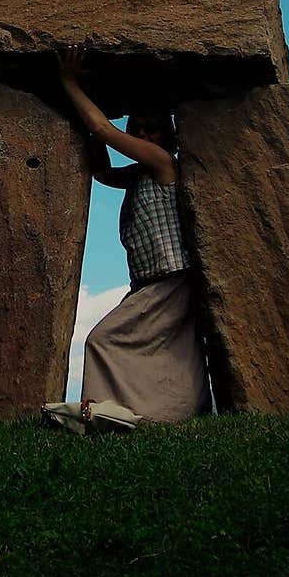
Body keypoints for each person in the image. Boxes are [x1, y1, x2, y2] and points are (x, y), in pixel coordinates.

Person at [57, 45, 212, 424]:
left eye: (151, 127)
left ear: (168, 137)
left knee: (102, 339)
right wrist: (94, 121)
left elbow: (101, 129)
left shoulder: (163, 164)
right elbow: (104, 171)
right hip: (153, 284)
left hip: (169, 281)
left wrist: (69, 83)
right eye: (137, 127)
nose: (142, 133)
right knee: (175, 354)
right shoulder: (140, 175)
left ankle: (102, 413)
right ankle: (166, 414)